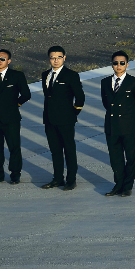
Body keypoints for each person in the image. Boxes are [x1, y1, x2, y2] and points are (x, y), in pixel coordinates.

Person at [0, 48, 31, 184]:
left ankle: (15, 174)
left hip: (11, 118)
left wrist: (15, 105)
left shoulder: (17, 75)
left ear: (8, 61)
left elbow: (26, 94)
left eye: (2, 59)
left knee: (14, 147)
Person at [39, 46, 86, 190]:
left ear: (64, 58)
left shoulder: (71, 75)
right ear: (49, 59)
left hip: (66, 120)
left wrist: (73, 114)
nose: (56, 60)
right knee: (55, 151)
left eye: (59, 57)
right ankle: (57, 178)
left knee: (69, 150)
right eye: (53, 57)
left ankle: (71, 180)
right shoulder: (45, 74)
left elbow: (80, 97)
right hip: (49, 119)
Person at [100, 51, 135, 196]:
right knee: (115, 157)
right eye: (115, 63)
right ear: (112, 64)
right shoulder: (105, 82)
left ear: (127, 64)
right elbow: (106, 103)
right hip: (111, 126)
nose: (118, 66)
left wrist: (130, 115)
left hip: (129, 125)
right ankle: (118, 184)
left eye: (121, 63)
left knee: (131, 157)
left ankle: (127, 186)